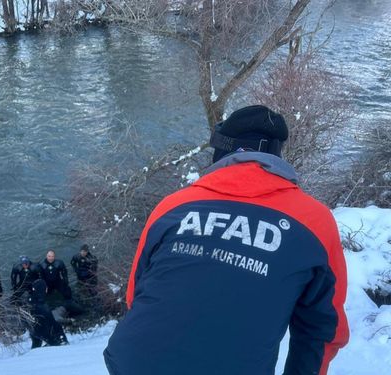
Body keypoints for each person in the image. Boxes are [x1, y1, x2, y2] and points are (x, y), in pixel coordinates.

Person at [103, 105, 349, 375]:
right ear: (277, 156)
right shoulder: (314, 220)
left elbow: (136, 293)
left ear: (221, 152)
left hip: (133, 362)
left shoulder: (173, 205)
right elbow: (322, 328)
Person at [28, 279, 68, 349]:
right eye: (45, 287)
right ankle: (61, 341)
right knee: (54, 344)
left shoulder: (32, 299)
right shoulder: (40, 302)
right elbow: (50, 320)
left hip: (33, 330)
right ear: (42, 288)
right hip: (41, 330)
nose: (47, 288)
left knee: (36, 346)